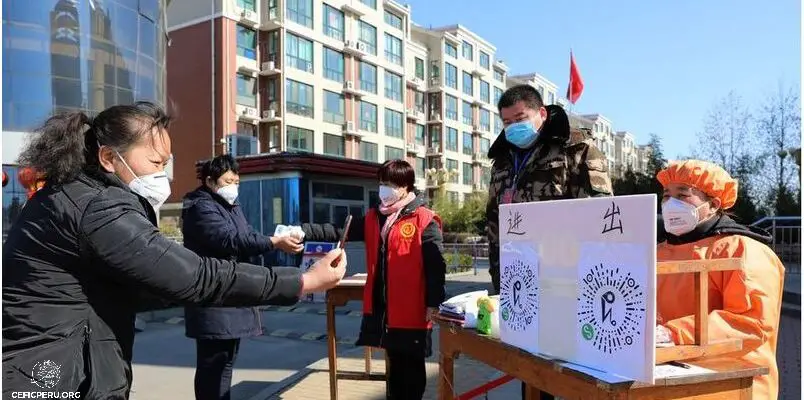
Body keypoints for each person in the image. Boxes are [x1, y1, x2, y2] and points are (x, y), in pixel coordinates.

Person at [2, 102, 347, 399]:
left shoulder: (70, 196)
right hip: (55, 374)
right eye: (155, 163)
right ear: (108, 157)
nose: (164, 178)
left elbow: (141, 280)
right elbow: (196, 276)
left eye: (166, 164)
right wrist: (303, 281)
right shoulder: (98, 208)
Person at [485, 85, 613, 400]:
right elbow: (493, 219)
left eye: (520, 117)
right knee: (528, 368)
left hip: (564, 279)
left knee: (567, 372)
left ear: (541, 113)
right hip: (517, 280)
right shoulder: (502, 158)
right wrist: (497, 277)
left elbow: (599, 216)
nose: (513, 127)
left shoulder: (576, 147)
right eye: (506, 122)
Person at [302, 159, 446, 400]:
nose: (383, 189)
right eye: (381, 183)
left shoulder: (424, 219)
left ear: (405, 187)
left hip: (412, 310)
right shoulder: (374, 218)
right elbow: (340, 231)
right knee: (394, 368)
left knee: (411, 371)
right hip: (385, 311)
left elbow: (436, 266)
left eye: (389, 184)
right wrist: (303, 231)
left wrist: (433, 303)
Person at [654, 160, 783, 400]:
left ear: (713, 204)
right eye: (666, 195)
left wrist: (672, 335)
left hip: (730, 385)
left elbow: (750, 323)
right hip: (669, 379)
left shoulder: (743, 250)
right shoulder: (658, 252)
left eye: (683, 194)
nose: (671, 204)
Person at [181, 154, 304, 400]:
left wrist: (276, 237)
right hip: (213, 298)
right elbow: (229, 240)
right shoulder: (200, 207)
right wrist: (274, 242)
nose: (234, 186)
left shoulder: (231, 206)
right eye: (228, 180)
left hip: (230, 295)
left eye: (237, 181)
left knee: (225, 363)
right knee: (213, 367)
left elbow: (247, 234)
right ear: (209, 181)